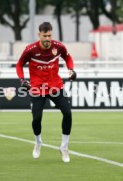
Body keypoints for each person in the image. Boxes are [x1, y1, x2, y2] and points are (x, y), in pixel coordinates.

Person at [16, 22, 76, 163]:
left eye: (49, 35)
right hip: (37, 88)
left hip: (56, 86)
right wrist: (22, 80)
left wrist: (71, 69)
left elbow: (68, 57)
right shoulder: (30, 50)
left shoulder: (58, 47)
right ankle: (38, 142)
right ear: (39, 35)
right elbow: (19, 64)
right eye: (45, 36)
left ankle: (64, 146)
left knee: (67, 113)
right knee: (37, 118)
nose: (48, 39)